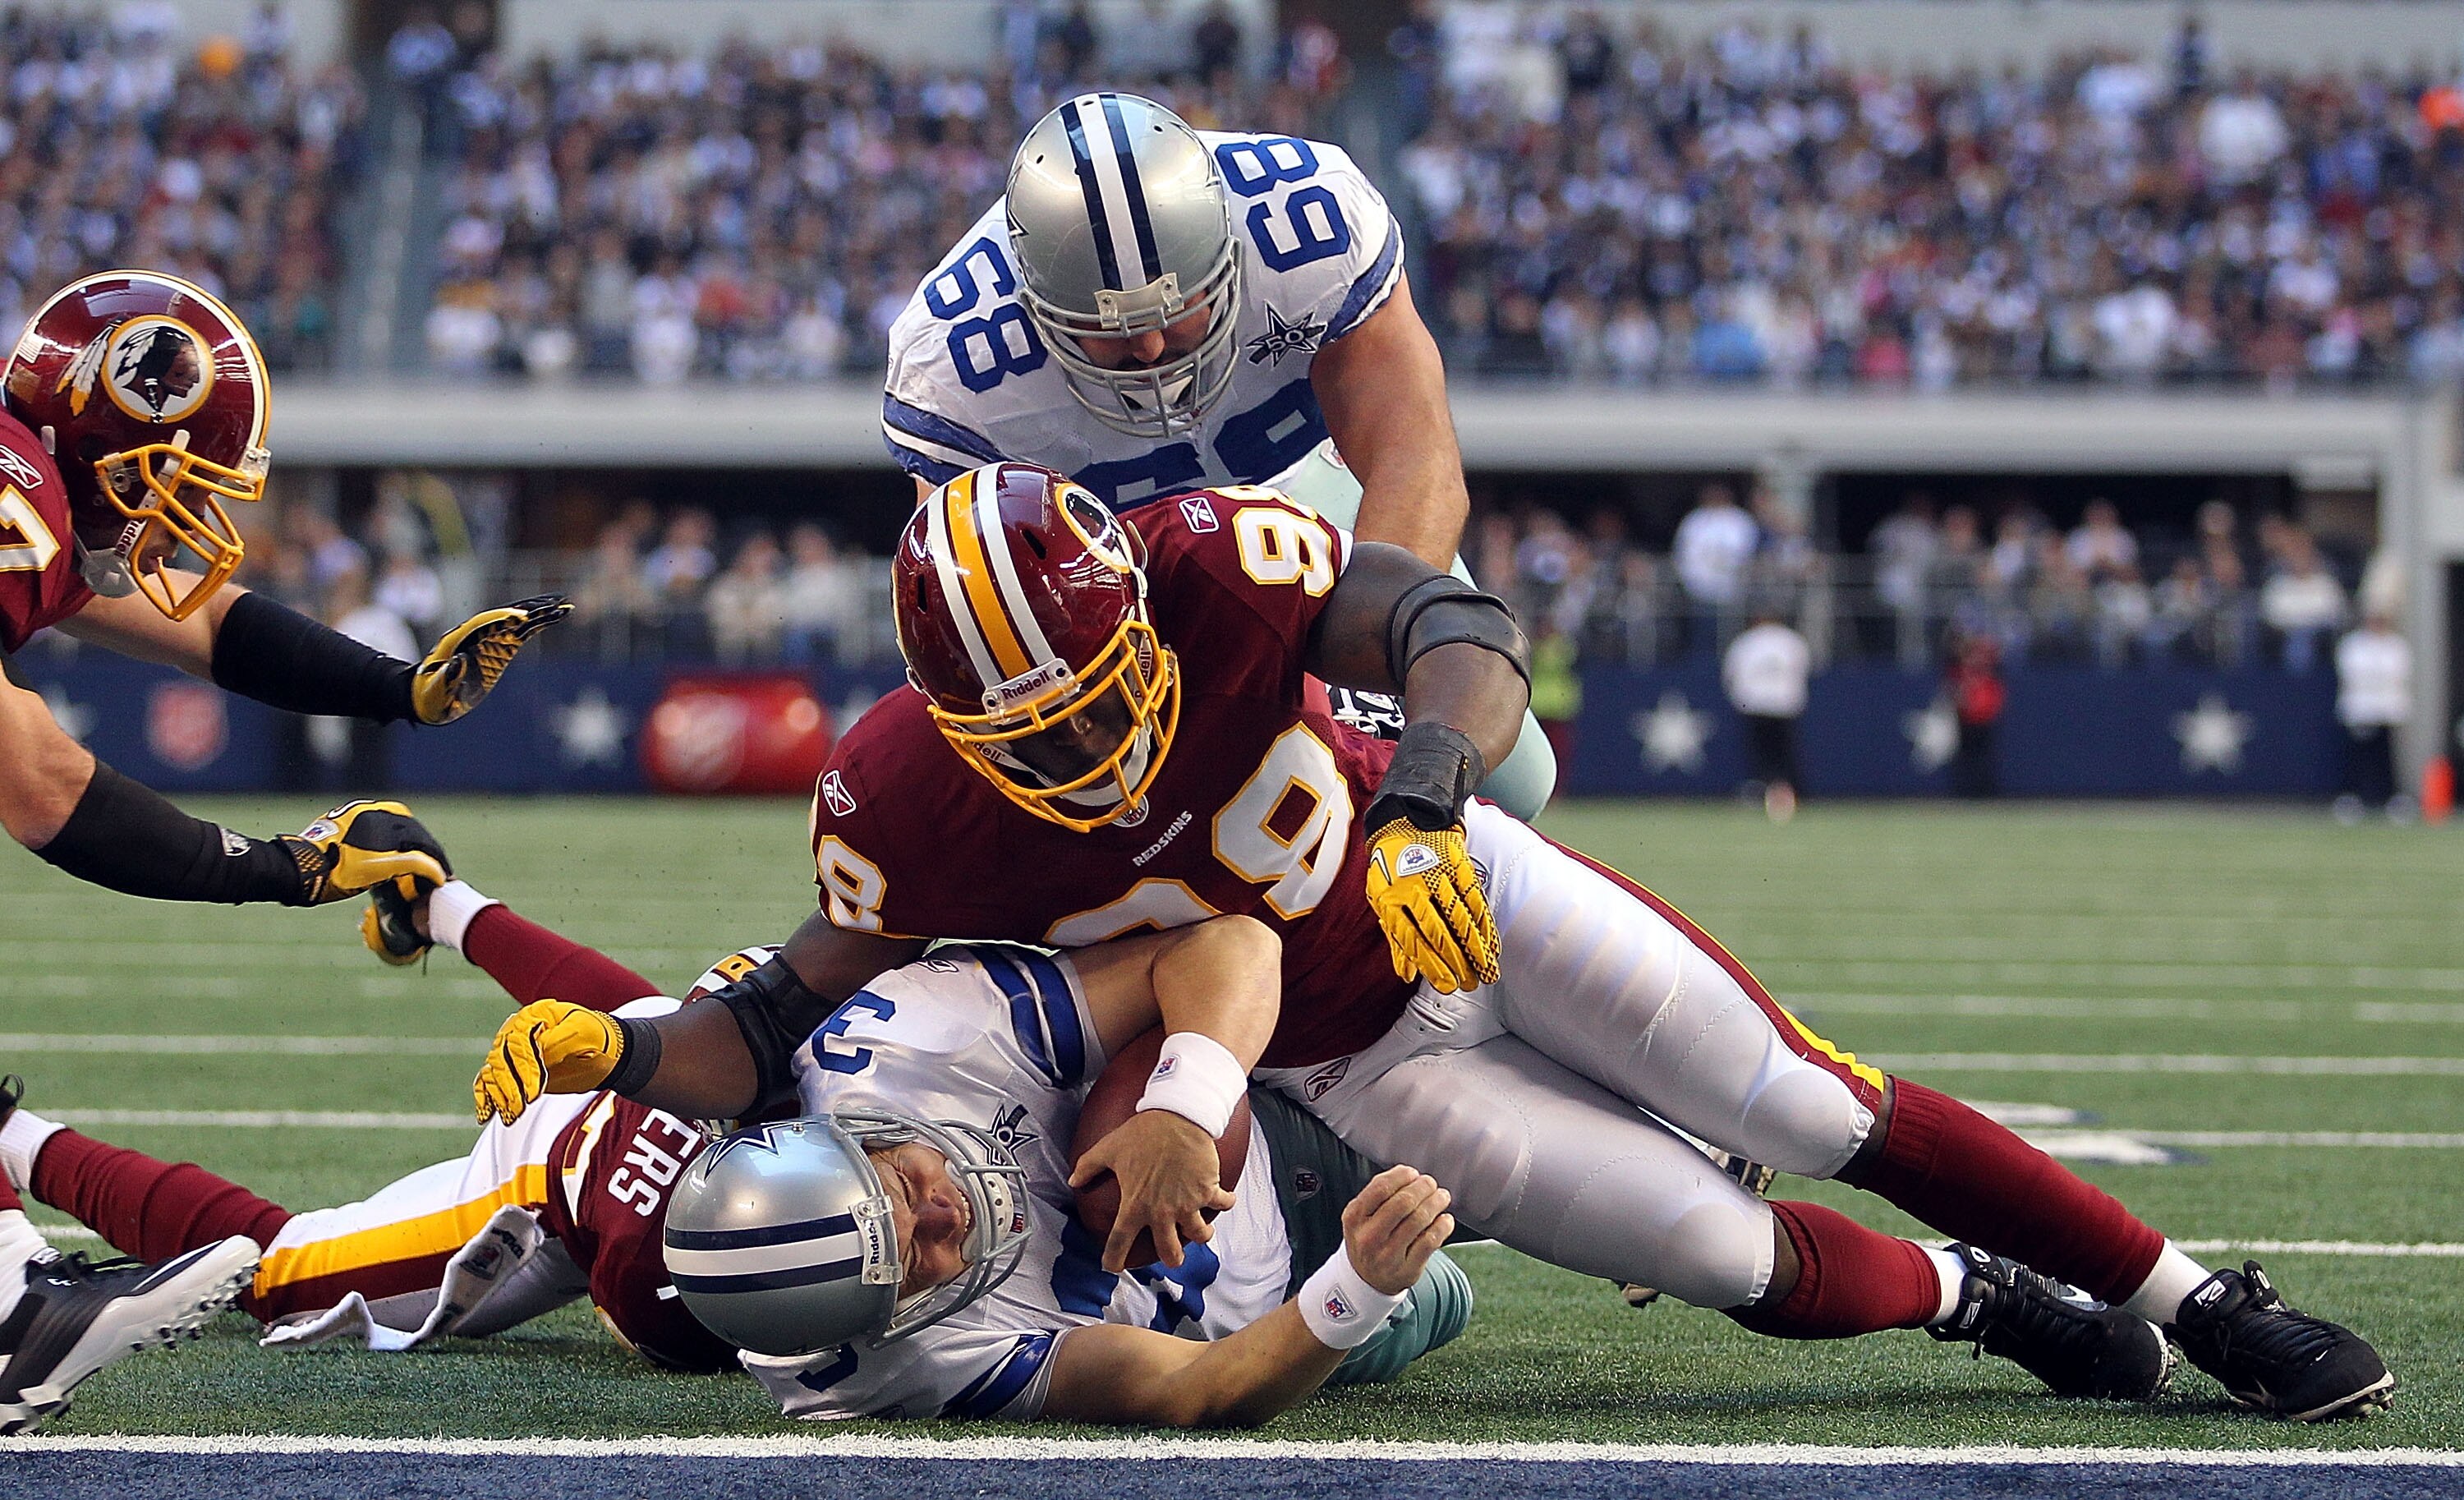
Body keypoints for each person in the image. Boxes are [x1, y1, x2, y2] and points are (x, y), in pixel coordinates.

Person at [487, 463, 2393, 1421]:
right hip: (1353, 1059)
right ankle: (1978, 1298)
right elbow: (767, 1014)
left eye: (1094, 697)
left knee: (1798, 1096)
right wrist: (618, 1047)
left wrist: (1420, 789)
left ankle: (2184, 1299)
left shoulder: (1213, 558)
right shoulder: (894, 800)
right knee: (1715, 1240)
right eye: (1030, 736)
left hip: (1451, 892)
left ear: (1131, 610)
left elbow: (1452, 620)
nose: (1080, 749)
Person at [1, 882, 1469, 1426]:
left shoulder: (851, 1054)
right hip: (580, 1213)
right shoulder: (882, 1355)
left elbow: (643, 1016)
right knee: (273, 1272)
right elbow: (1193, 1388)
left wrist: (454, 910)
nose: (952, 1216)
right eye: (927, 1261)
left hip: (617, 1153)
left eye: (908, 1199)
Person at [877, 90, 1557, 821]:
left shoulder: (1310, 217)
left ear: (1231, 253)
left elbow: (1415, 458)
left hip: (1309, 488)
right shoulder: (955, 361)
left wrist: (1370, 646)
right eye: (1104, 330)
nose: (1147, 348)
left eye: (1176, 310)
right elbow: (975, 602)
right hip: (1124, 572)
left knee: (1509, 775)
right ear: (1032, 301)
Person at [0, 271, 567, 909]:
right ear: (97, 444)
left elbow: (209, 626)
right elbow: (41, 786)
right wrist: (290, 869)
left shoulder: (41, 487)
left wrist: (400, 688)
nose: (194, 514)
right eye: (185, 483)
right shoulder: (22, 505)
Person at [1723, 605, 1809, 820]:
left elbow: (1731, 675)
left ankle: (1764, 792)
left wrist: (1740, 700)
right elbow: (1802, 671)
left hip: (1755, 706)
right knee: (1784, 754)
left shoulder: (1746, 642)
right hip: (1784, 706)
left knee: (1761, 754)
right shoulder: (1792, 641)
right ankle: (1790, 793)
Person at [2333, 609, 2411, 821]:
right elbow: (2353, 674)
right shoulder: (2353, 644)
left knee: (2385, 758)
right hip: (2360, 710)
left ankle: (2392, 800)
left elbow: (2397, 674)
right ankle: (2353, 798)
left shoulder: (2396, 645)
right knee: (2358, 757)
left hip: (2387, 711)